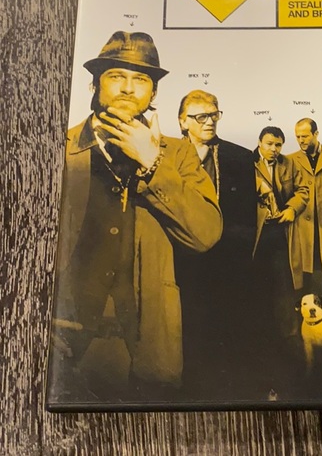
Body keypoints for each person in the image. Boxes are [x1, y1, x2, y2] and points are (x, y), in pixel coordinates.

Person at [47, 31, 222, 404]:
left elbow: (206, 234)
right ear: (94, 84)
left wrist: (152, 161)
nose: (128, 88)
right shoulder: (58, 147)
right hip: (62, 350)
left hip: (145, 350)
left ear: (153, 93)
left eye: (141, 79)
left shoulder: (177, 154)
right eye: (115, 76)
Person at [175, 89, 256, 398]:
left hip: (226, 266)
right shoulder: (165, 156)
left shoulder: (239, 157)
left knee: (225, 331)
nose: (209, 122)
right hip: (180, 262)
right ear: (183, 122)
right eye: (200, 117)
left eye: (213, 115)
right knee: (184, 330)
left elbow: (247, 220)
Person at [252, 126, 309, 397]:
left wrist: (291, 210)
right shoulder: (247, 163)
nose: (274, 149)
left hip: (280, 238)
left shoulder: (289, 164)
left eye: (278, 145)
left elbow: (303, 190)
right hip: (254, 239)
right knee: (258, 297)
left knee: (283, 296)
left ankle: (292, 372)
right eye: (269, 144)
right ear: (259, 143)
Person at [288, 118, 322, 298]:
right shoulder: (289, 161)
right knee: (305, 283)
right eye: (297, 137)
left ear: (316, 134)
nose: (301, 140)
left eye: (305, 136)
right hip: (302, 233)